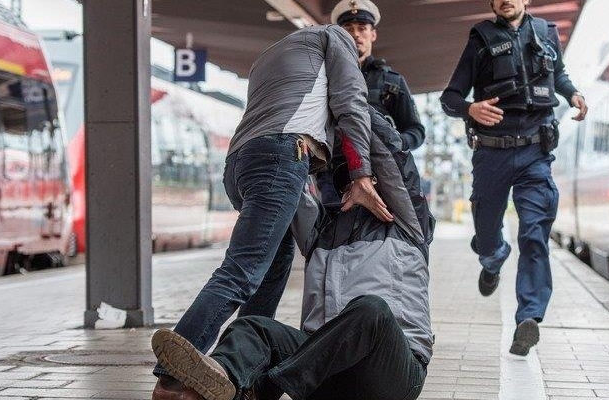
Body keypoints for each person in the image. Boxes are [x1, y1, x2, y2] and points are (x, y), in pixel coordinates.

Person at [152, 25, 394, 398]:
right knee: (242, 272)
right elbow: (351, 104)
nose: (358, 37)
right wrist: (361, 174)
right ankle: (171, 377)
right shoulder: (336, 39)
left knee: (269, 276)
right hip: (281, 158)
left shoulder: (270, 56)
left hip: (241, 162)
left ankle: (238, 375)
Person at [151, 107, 434, 400]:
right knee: (253, 327)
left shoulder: (408, 222)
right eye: (350, 180)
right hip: (325, 371)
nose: (362, 184)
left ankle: (262, 387)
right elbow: (284, 180)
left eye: (369, 177)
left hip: (392, 372)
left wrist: (340, 99)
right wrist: (299, 130)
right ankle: (222, 380)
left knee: (371, 310)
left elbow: (392, 155)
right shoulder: (321, 230)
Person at [440, 0, 587, 356]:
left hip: (536, 154)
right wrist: (470, 108)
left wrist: (573, 94)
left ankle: (529, 318)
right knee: (487, 232)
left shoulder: (547, 34)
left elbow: (560, 75)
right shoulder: (480, 39)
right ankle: (493, 257)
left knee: (534, 232)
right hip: (491, 153)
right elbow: (450, 97)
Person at [316, 0, 426, 204]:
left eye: (362, 28)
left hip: (382, 174)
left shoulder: (392, 81)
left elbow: (416, 131)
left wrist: (393, 143)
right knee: (333, 234)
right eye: (348, 28)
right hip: (334, 174)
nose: (356, 34)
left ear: (373, 34)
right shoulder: (322, 78)